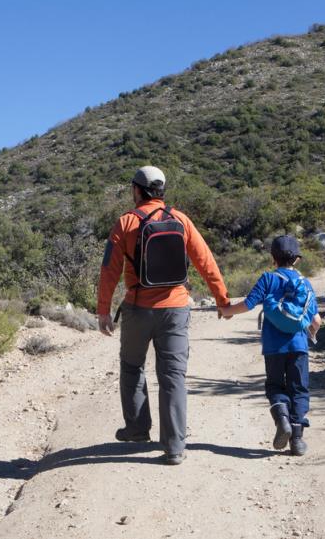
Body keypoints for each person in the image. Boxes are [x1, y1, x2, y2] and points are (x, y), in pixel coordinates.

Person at [97, 165, 231, 465]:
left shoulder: (126, 222)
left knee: (132, 367)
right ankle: (174, 447)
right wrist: (222, 300)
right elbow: (206, 261)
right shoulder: (180, 220)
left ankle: (137, 428)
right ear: (161, 189)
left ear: (137, 190)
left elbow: (109, 271)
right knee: (173, 377)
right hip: (176, 308)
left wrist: (103, 310)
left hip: (138, 307)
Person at [219, 235, 321, 456]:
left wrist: (226, 311)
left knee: (275, 386)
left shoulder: (268, 278)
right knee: (299, 389)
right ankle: (297, 440)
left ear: (272, 258)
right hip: (299, 346)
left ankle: (281, 418)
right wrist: (311, 333)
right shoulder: (305, 283)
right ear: (297, 260)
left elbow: (248, 304)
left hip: (274, 347)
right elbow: (316, 320)